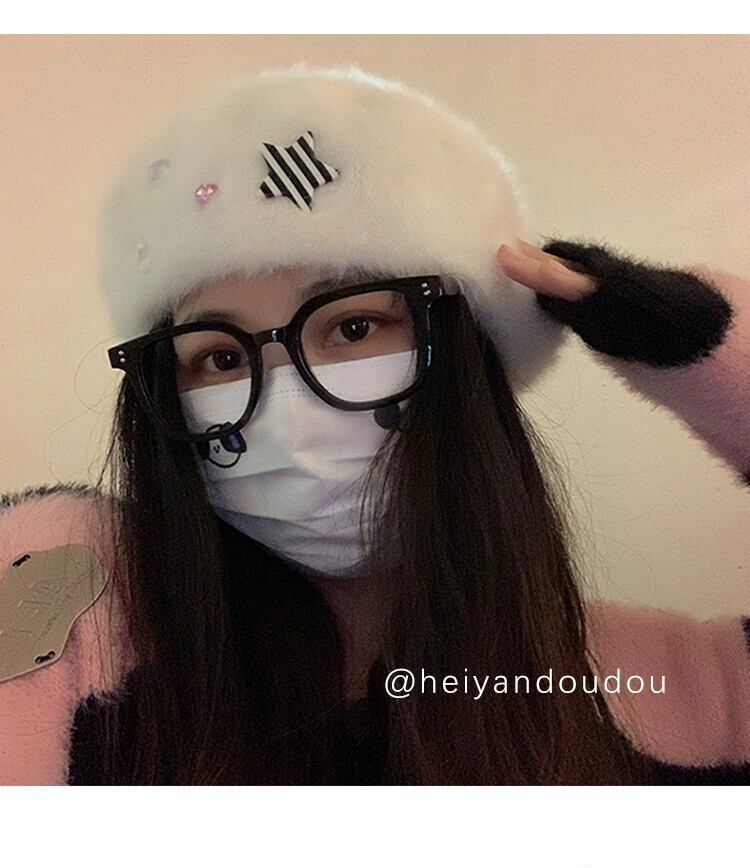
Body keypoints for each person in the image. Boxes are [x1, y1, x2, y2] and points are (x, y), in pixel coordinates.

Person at [0, 65, 748, 785]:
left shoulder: (678, 693)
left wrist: (702, 346)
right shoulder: (89, 666)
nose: (289, 411)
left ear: (461, 355)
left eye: (354, 327)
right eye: (221, 356)